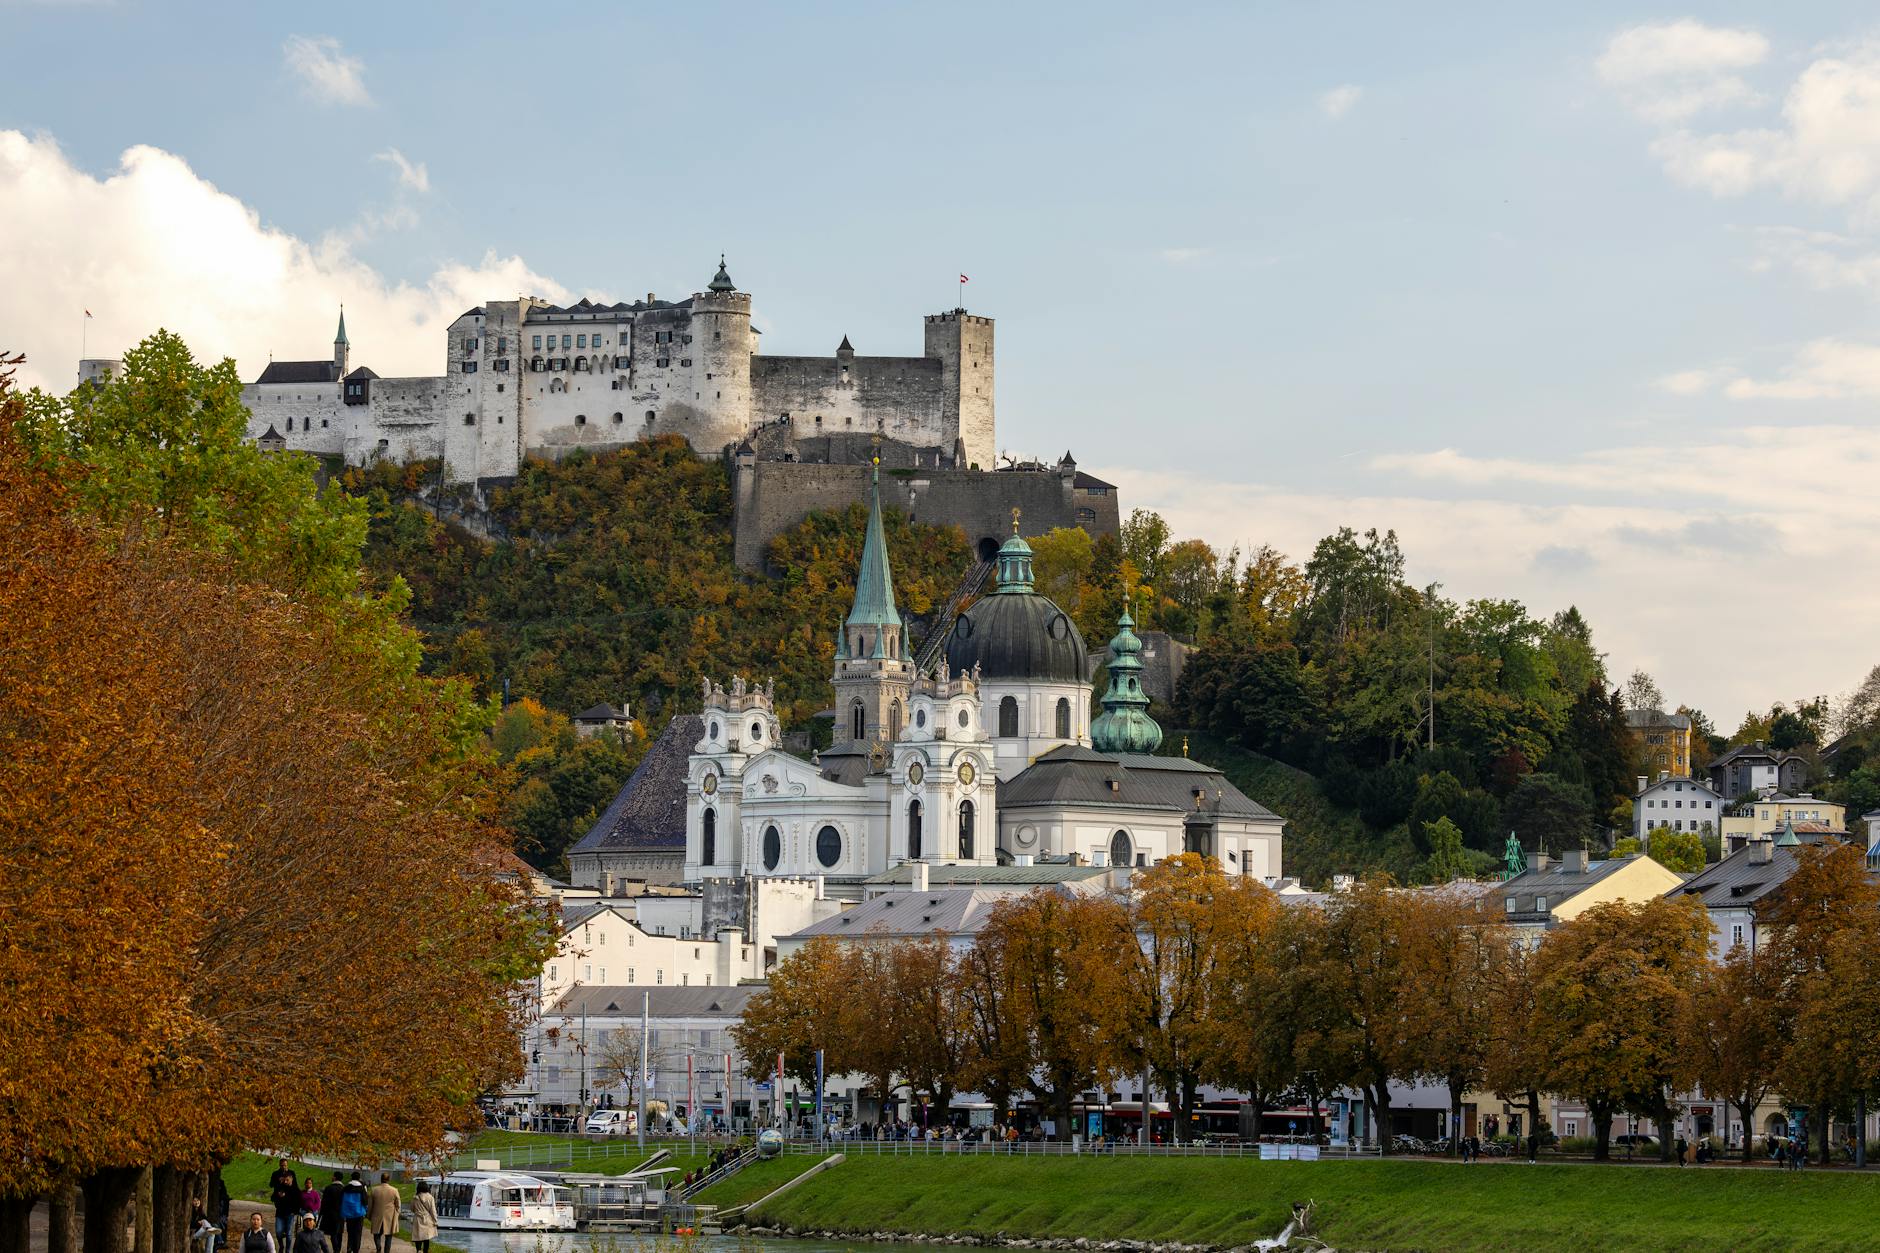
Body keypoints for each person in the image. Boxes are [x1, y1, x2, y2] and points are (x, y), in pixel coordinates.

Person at [269, 1162, 300, 1250]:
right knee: (278, 1232)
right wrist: (277, 1197)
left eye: (287, 1180)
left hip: (290, 1214)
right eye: (284, 1180)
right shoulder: (279, 1186)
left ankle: (287, 1250)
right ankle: (281, 1246)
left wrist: (295, 1212)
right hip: (280, 1213)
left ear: (291, 1179)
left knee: (289, 1234)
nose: (285, 1182)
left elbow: (298, 1202)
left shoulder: (295, 1189)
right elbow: (273, 1196)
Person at [367, 1174, 400, 1253]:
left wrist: (369, 1215)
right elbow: (398, 1205)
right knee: (388, 1236)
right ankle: (386, 1251)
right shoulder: (394, 1190)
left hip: (376, 1215)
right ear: (389, 1180)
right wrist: (396, 1214)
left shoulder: (374, 1190)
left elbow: (370, 1205)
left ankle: (378, 1247)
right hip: (390, 1216)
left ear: (381, 1179)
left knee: (376, 1234)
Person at [340, 1171, 369, 1253]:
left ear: (351, 1177)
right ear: (359, 1178)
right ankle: (356, 1249)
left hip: (348, 1213)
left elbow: (341, 1200)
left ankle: (349, 1247)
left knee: (350, 1232)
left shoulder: (345, 1188)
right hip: (359, 1214)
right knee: (358, 1232)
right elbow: (365, 1201)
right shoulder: (362, 1189)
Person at [319, 1174, 345, 1253]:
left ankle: (336, 1250)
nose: (331, 1177)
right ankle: (338, 1249)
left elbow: (324, 1203)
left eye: (333, 1176)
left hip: (330, 1214)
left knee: (333, 1233)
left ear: (335, 1177)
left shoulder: (328, 1188)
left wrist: (321, 1214)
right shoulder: (343, 1189)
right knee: (339, 1232)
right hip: (341, 1214)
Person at [409, 1181, 437, 1253]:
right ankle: (425, 1251)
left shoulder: (415, 1197)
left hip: (418, 1218)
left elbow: (412, 1209)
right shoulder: (430, 1197)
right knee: (426, 1237)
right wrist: (435, 1220)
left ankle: (418, 1250)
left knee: (418, 1236)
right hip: (427, 1218)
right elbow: (433, 1210)